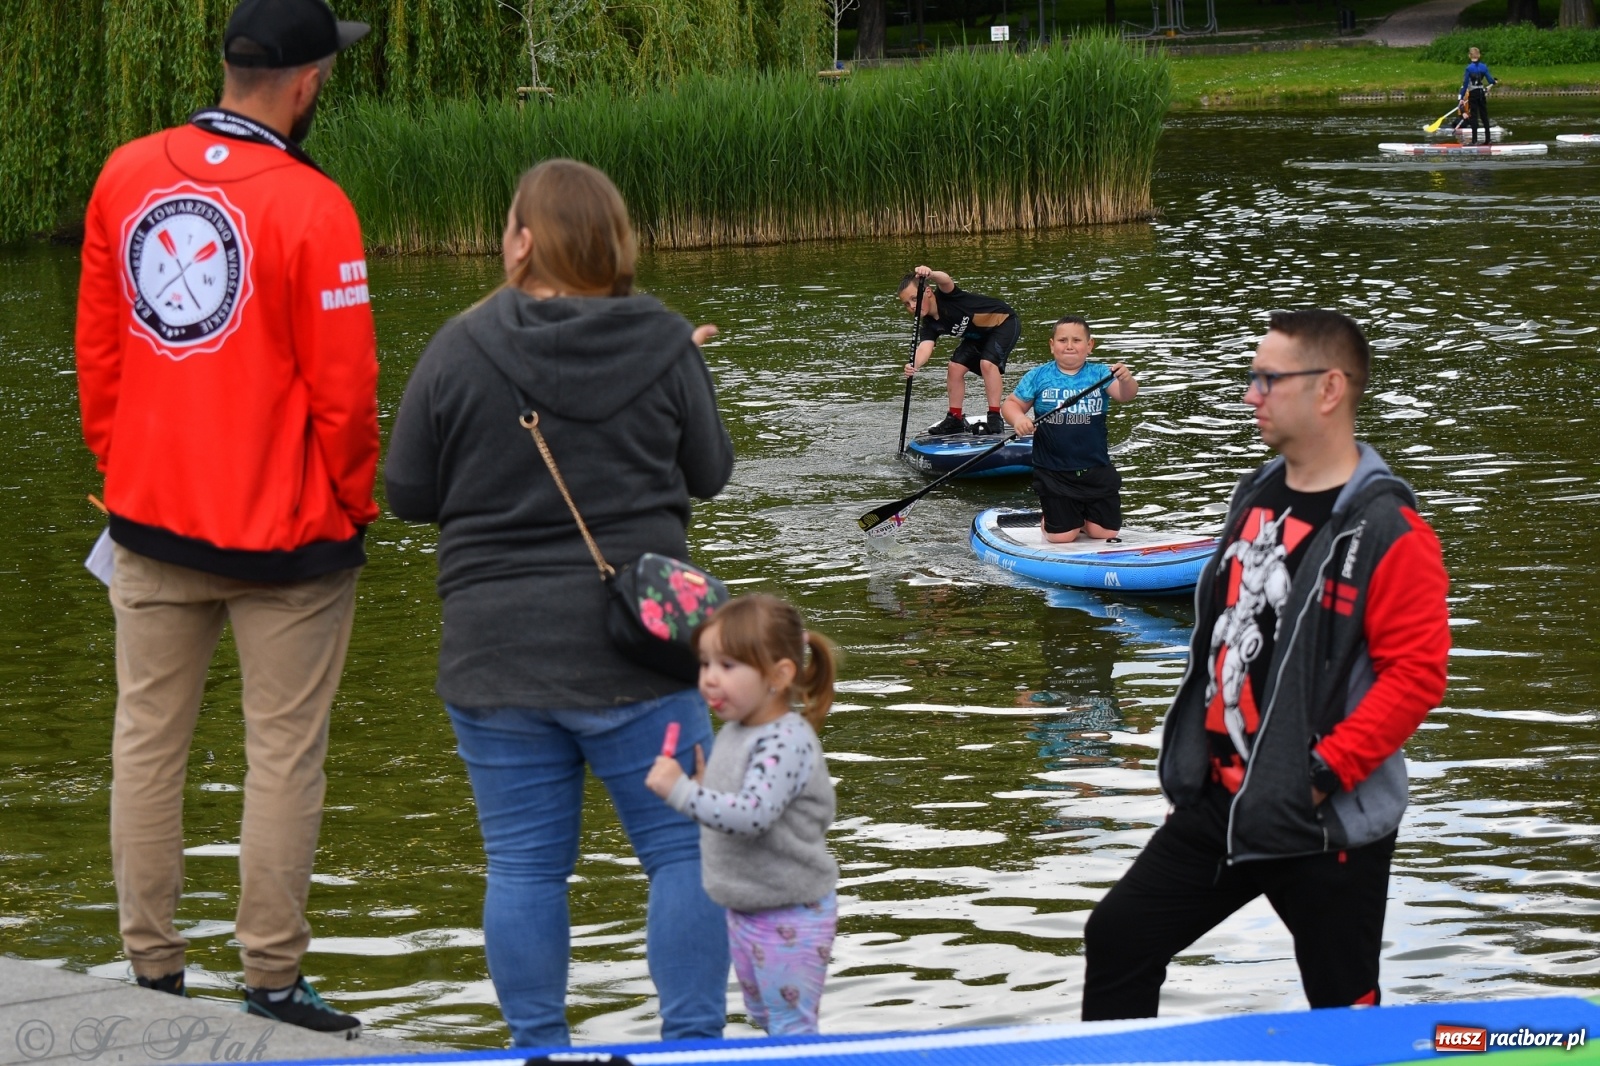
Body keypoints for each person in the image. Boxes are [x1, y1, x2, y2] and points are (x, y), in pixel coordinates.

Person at [73, 0, 377, 1037]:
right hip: (288, 537)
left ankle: (152, 973)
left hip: (151, 520)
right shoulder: (313, 206)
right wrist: (354, 504)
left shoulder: (124, 174)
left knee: (146, 744)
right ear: (304, 84)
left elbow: (101, 351)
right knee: (282, 754)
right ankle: (273, 982)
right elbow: (345, 393)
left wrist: (124, 468)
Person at [383, 158, 735, 1047]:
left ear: (524, 241)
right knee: (682, 855)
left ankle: (539, 1047)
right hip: (642, 657)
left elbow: (407, 493)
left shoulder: (458, 344)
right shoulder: (661, 339)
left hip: (496, 653)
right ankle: (692, 1047)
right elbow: (711, 474)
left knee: (525, 868)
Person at [1079, 309, 1451, 1020]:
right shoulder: (1256, 493)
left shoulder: (1391, 531)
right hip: (1223, 804)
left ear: (1329, 389)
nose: (1251, 393)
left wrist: (1315, 778)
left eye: (1268, 379)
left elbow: (1415, 678)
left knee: (1344, 1010)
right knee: (1121, 937)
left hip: (1323, 820)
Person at [644, 595, 839, 1037]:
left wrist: (683, 792)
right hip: (748, 908)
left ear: (778, 675)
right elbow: (733, 808)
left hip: (790, 912)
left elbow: (753, 816)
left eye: (728, 666)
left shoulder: (784, 740)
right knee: (764, 1017)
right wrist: (703, 790)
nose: (710, 680)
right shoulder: (739, 731)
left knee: (790, 1027)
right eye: (706, 664)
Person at [1000, 317, 1136, 544]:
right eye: (1063, 340)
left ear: (1090, 345)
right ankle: (1051, 520)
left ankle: (1083, 517)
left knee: (1105, 533)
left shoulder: (1101, 373)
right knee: (1062, 537)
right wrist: (1019, 419)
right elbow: (1010, 404)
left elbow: (1126, 395)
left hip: (1095, 467)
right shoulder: (1038, 376)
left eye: (1076, 340)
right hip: (1054, 470)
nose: (1069, 345)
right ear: (1052, 345)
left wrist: (1126, 379)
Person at [899, 264, 1020, 436]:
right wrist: (914, 364)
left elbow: (946, 279)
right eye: (906, 303)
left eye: (914, 298)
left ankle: (994, 417)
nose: (912, 306)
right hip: (979, 335)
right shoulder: (929, 325)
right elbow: (925, 348)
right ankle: (955, 419)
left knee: (987, 363)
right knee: (954, 368)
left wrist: (931, 273)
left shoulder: (947, 296)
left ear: (928, 292)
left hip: (1004, 322)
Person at [1460, 46, 1498, 146]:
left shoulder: (1468, 68)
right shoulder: (1483, 67)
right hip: (1481, 93)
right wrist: (1494, 81)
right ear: (1479, 55)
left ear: (1469, 56)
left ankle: (1474, 140)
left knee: (1474, 117)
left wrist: (1461, 98)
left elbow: (1465, 85)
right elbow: (1490, 80)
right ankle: (1488, 139)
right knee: (1484, 116)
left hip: (1473, 94)